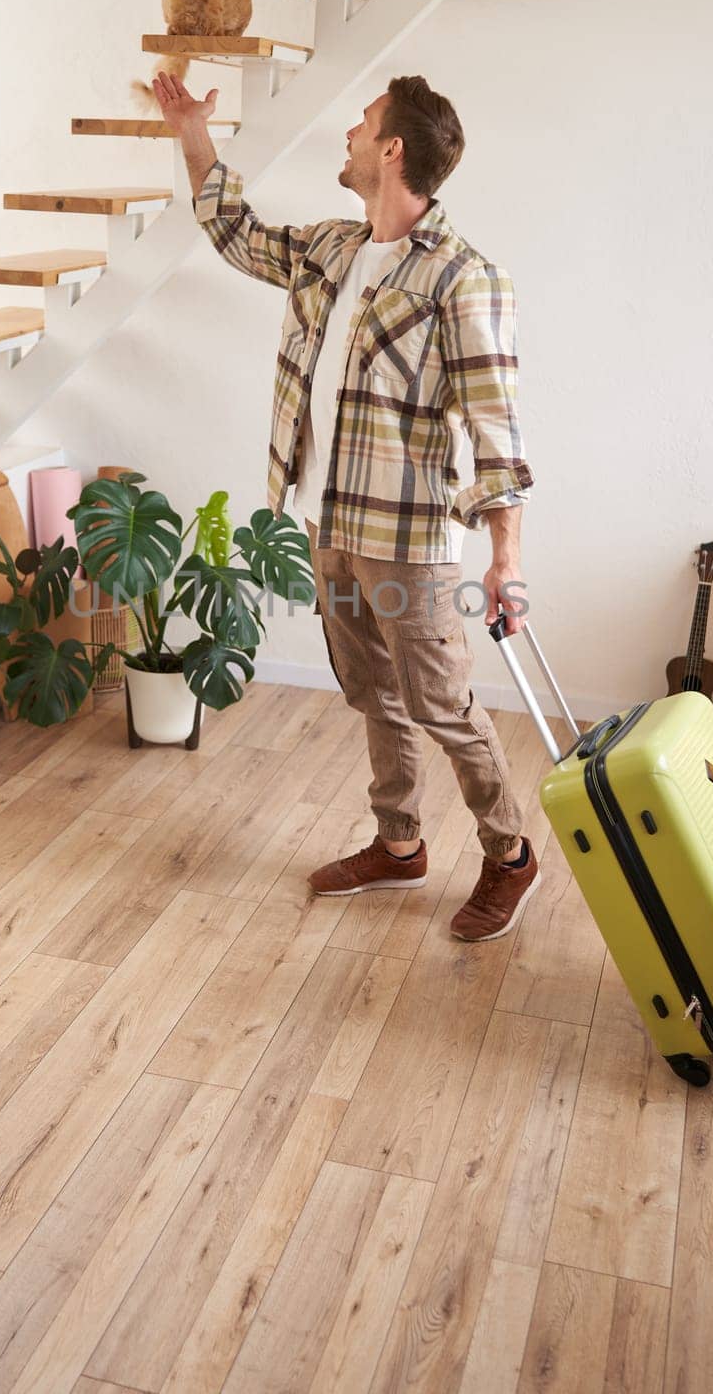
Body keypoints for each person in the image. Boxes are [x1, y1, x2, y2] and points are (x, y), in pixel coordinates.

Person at [152, 69, 539, 942]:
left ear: (392, 148)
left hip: (407, 538)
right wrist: (190, 131)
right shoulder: (330, 248)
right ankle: (398, 844)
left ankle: (510, 855)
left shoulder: (464, 277)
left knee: (441, 703)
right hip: (328, 519)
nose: (349, 135)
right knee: (373, 693)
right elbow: (233, 234)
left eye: (361, 125)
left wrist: (505, 556)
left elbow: (494, 424)